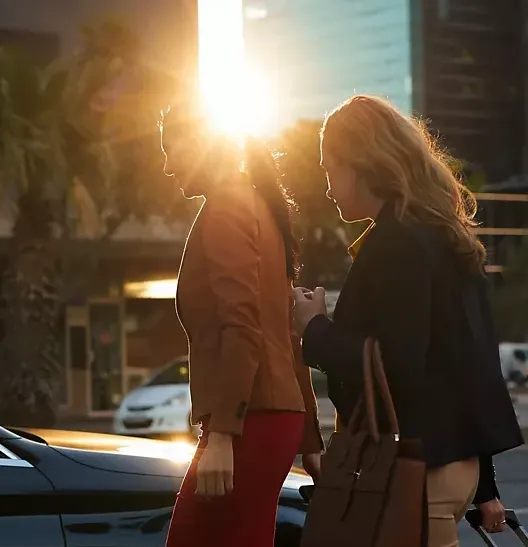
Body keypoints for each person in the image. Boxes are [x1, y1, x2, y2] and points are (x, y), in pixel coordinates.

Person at [290, 95, 524, 547]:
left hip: (416, 471)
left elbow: (397, 364)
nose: (327, 186)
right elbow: (464, 364)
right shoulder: (440, 235)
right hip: (451, 467)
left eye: (328, 169)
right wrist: (486, 485)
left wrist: (314, 328)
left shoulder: (397, 242)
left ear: (360, 162)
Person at [159, 102, 323, 547]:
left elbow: (244, 327)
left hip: (250, 421)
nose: (168, 166)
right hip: (268, 418)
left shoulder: (228, 209)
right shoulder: (255, 206)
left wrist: (222, 435)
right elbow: (285, 333)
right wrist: (309, 438)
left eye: (171, 150)